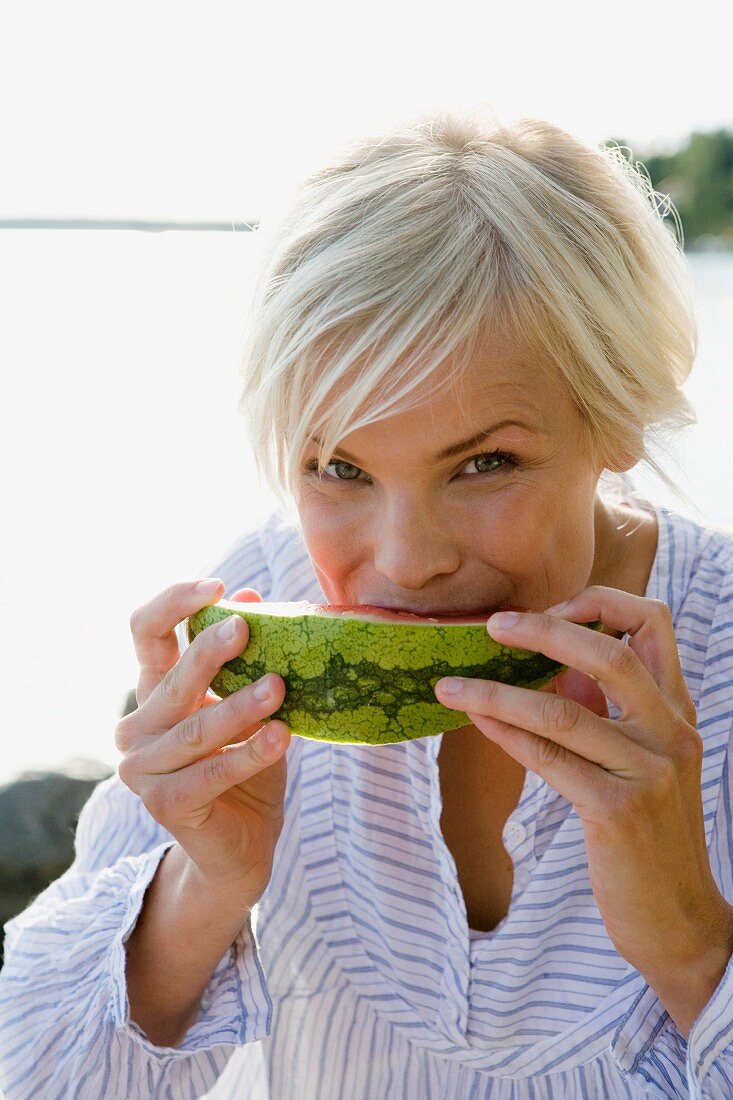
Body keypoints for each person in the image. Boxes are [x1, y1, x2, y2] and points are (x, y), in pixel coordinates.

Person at [1, 106, 732, 1100]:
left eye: (484, 461)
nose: (407, 559)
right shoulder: (261, 600)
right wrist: (206, 880)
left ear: (617, 413)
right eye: (339, 467)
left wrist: (695, 946)